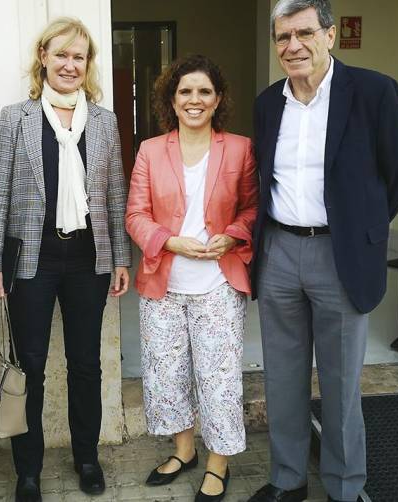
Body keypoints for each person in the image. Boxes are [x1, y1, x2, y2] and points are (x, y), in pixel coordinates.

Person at [247, 1, 398, 502]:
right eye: (282, 37)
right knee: (282, 375)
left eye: (303, 33)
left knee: (341, 383)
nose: (292, 46)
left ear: (330, 35)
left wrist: (359, 230)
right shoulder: (267, 102)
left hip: (338, 256)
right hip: (278, 251)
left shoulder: (373, 91)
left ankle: (345, 487)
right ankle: (288, 479)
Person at [0, 17, 131, 502]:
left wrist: (121, 258)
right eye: (60, 54)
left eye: (78, 56)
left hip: (89, 260)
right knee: (32, 367)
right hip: (33, 262)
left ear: (88, 65)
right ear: (43, 57)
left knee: (86, 365)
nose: (69, 64)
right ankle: (28, 471)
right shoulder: (15, 118)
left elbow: (114, 193)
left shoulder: (104, 122)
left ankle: (87, 457)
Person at [125, 55, 258, 502]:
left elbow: (253, 209)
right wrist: (169, 241)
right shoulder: (150, 150)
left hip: (218, 284)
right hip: (164, 284)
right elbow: (135, 215)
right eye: (185, 92)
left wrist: (232, 235)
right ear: (172, 99)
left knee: (218, 379)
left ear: (218, 99)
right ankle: (184, 451)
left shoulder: (240, 148)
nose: (194, 100)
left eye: (204, 91)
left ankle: (218, 462)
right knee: (167, 375)